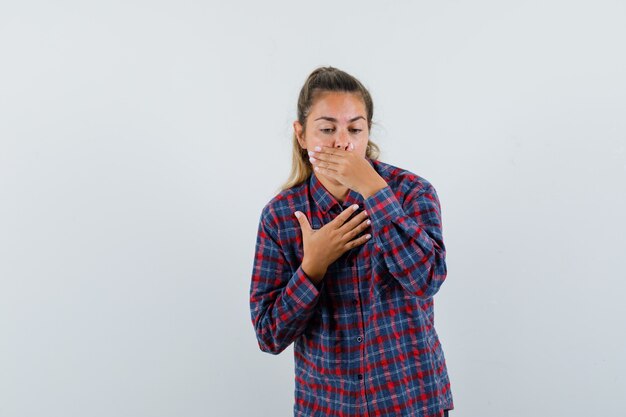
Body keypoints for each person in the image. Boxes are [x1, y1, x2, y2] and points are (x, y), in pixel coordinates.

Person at [249, 66, 453, 417]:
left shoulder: (412, 193)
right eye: (327, 129)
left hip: (411, 402)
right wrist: (312, 267)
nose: (342, 142)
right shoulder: (280, 217)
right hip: (328, 406)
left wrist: (375, 191)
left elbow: (427, 280)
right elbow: (269, 335)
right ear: (301, 135)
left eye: (355, 128)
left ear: (368, 132)